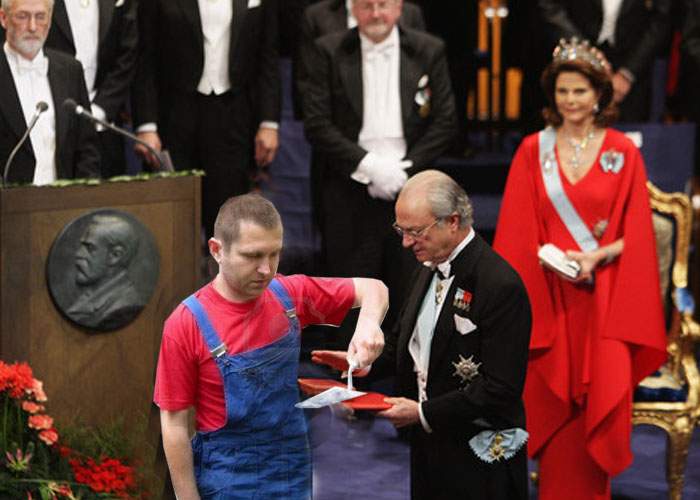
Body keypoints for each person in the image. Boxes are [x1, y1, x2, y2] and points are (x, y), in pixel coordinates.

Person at [493, 38, 667, 499]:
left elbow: (638, 235)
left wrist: (596, 256)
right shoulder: (533, 149)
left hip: (603, 299)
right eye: (563, 91)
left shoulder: (623, 152)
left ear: (599, 94)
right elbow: (515, 231)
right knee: (555, 404)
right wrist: (548, 258)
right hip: (549, 299)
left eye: (580, 91)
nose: (571, 101)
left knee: (598, 400)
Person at [314, 170, 532, 500]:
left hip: (482, 457)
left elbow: (500, 388)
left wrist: (422, 413)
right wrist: (363, 364)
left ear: (453, 221)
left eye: (415, 232)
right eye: (401, 230)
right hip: (429, 450)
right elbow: (407, 342)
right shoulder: (426, 267)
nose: (405, 243)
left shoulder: (500, 285)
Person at [153, 193, 387, 499]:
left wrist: (368, 324)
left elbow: (374, 289)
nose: (266, 269)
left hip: (292, 467)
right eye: (252, 256)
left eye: (274, 254)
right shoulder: (186, 324)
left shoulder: (289, 294)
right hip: (227, 478)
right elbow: (174, 424)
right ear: (217, 250)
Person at [303, 0, 456, 337]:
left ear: (399, 7)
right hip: (348, 188)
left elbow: (445, 121)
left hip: (413, 190)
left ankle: (407, 364)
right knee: (350, 294)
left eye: (383, 4)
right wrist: (369, 166)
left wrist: (405, 171)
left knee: (411, 289)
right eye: (366, 6)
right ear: (352, 8)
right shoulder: (328, 50)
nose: (375, 14)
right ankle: (351, 364)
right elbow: (316, 123)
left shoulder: (429, 50)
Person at [132, 0, 280, 238]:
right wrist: (146, 125)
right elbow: (145, 59)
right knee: (173, 219)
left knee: (229, 218)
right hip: (174, 116)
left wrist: (268, 123)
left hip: (234, 115)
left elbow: (268, 59)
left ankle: (222, 263)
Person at [0, 0, 99, 185]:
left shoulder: (70, 70)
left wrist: (84, 195)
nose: (32, 27)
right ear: (3, 18)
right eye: (22, 16)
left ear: (50, 19)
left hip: (63, 199)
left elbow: (86, 149)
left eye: (40, 17)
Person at [44, 0, 138, 178]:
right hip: (52, 121)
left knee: (107, 192)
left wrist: (101, 108)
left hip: (104, 123)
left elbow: (127, 54)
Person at [539, 0, 671, 122]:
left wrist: (627, 74)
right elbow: (550, 7)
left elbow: (662, 18)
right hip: (573, 52)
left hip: (634, 63)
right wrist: (586, 54)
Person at [67, 214, 143, 330]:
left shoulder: (124, 308)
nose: (79, 254)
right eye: (82, 246)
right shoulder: (91, 296)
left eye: (89, 248)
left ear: (115, 256)